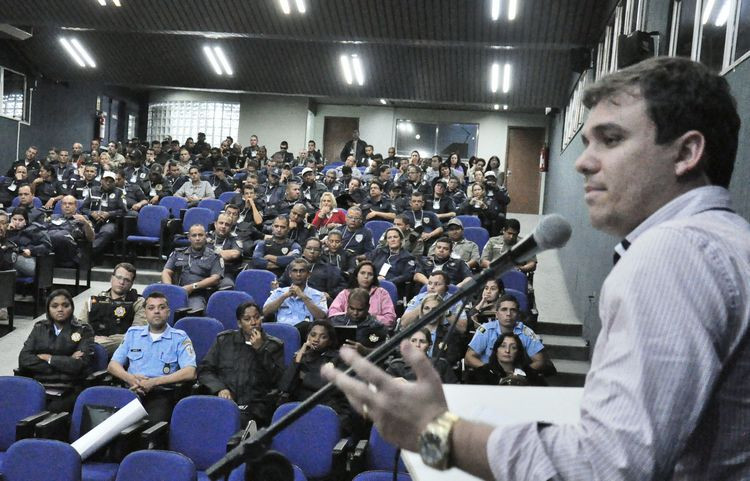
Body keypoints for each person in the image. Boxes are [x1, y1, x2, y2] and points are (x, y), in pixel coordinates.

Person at [323, 56, 750, 480]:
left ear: (687, 152)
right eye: (586, 144)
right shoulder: (724, 243)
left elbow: (605, 467)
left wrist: (435, 434)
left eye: (612, 139)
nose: (584, 162)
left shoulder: (675, 255)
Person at [108, 292, 197, 423]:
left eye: (161, 308)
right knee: (110, 426)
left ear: (168, 312)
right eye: (151, 308)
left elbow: (191, 372)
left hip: (161, 394)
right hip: (131, 391)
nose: (156, 311)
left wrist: (154, 382)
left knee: (148, 429)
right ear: (145, 312)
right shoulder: (133, 334)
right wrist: (129, 378)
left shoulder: (179, 337)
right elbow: (113, 365)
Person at [198, 301, 284, 427]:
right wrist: (220, 388)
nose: (253, 323)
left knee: (232, 425)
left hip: (255, 407)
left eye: (256, 317)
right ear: (239, 323)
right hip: (224, 402)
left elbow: (278, 380)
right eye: (247, 319)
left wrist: (260, 350)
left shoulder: (274, 345)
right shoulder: (224, 341)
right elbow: (205, 370)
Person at [18, 289, 94, 412]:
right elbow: (24, 359)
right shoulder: (39, 327)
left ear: (72, 307)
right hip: (39, 385)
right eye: (55, 306)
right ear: (48, 309)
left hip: (69, 388)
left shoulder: (83, 329)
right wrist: (66, 361)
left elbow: (78, 366)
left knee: (50, 412)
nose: (60, 309)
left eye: (65, 305)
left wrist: (48, 358)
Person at [278, 320, 355, 434]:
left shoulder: (339, 359)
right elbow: (285, 386)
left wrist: (305, 377)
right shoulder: (302, 357)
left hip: (330, 407)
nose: (316, 339)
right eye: (313, 335)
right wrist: (298, 358)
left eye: (323, 337)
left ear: (330, 341)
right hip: (302, 406)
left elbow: (332, 387)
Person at [78, 263, 146, 355]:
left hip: (121, 349)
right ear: (111, 278)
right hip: (92, 342)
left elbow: (136, 334)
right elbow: (80, 327)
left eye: (127, 280)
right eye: (119, 277)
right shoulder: (93, 301)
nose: (121, 282)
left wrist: (107, 341)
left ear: (131, 284)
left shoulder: (139, 302)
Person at [161, 223, 224, 310]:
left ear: (205, 236)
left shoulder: (214, 256)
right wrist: (170, 289)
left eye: (200, 235)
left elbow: (215, 278)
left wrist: (192, 287)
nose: (197, 238)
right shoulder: (178, 253)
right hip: (176, 291)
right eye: (194, 235)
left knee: (195, 312)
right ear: (189, 237)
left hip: (197, 294)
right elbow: (166, 271)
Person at [328, 261, 397, 329]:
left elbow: (390, 319)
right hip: (349, 329)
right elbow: (332, 314)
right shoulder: (345, 293)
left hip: (373, 330)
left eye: (370, 274)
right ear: (356, 276)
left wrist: (368, 318)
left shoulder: (382, 293)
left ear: (374, 278)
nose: (366, 277)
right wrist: (350, 317)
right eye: (362, 273)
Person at [263, 258, 327, 330]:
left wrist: (304, 297)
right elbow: (265, 312)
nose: (298, 274)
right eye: (295, 271)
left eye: (302, 271)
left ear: (309, 274)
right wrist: (284, 296)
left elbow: (321, 317)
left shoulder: (318, 295)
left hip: (304, 333)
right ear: (290, 274)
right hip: (281, 331)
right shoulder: (279, 292)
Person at [278, 237, 346, 303]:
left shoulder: (329, 268)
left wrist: (330, 294)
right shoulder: (293, 266)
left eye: (316, 249)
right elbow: (282, 283)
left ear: (320, 252)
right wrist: (277, 285)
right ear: (303, 250)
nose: (312, 251)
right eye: (309, 248)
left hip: (317, 302)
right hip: (293, 300)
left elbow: (343, 286)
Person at [467, 334, 546, 387]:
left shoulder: (531, 374)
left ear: (519, 352)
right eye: (503, 346)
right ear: (496, 351)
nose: (507, 350)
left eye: (513, 347)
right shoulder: (481, 373)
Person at [327, 288, 387, 355]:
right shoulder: (335, 321)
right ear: (347, 305)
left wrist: (365, 350)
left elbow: (384, 352)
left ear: (368, 307)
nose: (355, 313)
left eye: (360, 310)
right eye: (352, 308)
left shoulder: (377, 327)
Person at [385, 328, 456, 384]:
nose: (417, 345)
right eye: (413, 341)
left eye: (422, 341)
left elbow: (454, 390)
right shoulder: (396, 366)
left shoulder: (441, 365)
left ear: (430, 345)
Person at [6, 207, 53, 277]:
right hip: (13, 263)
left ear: (26, 221)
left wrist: (31, 250)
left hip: (30, 261)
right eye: (14, 219)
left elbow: (47, 246)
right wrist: (8, 232)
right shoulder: (6, 230)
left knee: (9, 259)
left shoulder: (34, 230)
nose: (17, 222)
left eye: (20, 220)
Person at [367, 226, 417, 292]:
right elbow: (367, 266)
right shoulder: (378, 252)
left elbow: (407, 276)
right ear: (387, 241)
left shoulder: (408, 257)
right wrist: (373, 280)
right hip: (371, 284)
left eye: (395, 237)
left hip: (392, 288)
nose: (392, 240)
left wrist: (386, 283)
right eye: (389, 238)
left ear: (401, 239)